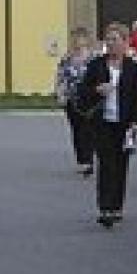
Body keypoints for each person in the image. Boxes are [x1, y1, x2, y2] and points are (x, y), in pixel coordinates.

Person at [75, 23, 137, 228]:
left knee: (121, 164)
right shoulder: (96, 65)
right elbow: (83, 91)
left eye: (115, 39)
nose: (111, 43)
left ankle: (117, 206)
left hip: (124, 124)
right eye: (108, 39)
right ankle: (105, 207)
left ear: (126, 42)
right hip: (102, 122)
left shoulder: (132, 67)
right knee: (106, 164)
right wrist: (97, 89)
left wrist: (135, 123)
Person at [53, 28, 97, 176]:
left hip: (89, 99)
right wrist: (60, 94)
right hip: (71, 99)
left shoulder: (93, 58)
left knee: (89, 129)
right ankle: (81, 159)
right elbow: (60, 77)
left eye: (80, 38)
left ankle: (88, 160)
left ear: (87, 40)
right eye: (74, 39)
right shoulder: (67, 59)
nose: (77, 42)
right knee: (76, 129)